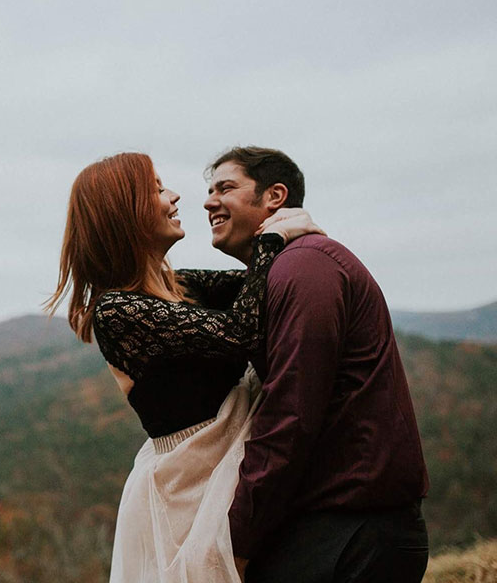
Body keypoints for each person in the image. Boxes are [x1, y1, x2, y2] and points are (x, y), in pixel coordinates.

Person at [45, 152, 323, 582]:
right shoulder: (117, 310)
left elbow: (270, 286)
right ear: (126, 211)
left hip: (230, 473)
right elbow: (242, 333)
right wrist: (270, 240)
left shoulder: (183, 285)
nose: (174, 197)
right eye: (157, 189)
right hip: (188, 496)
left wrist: (290, 239)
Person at [203, 146, 430, 583]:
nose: (209, 202)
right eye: (210, 191)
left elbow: (290, 412)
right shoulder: (283, 267)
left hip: (350, 532)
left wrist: (241, 538)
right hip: (333, 527)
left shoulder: (304, 267)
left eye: (225, 188)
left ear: (275, 196)